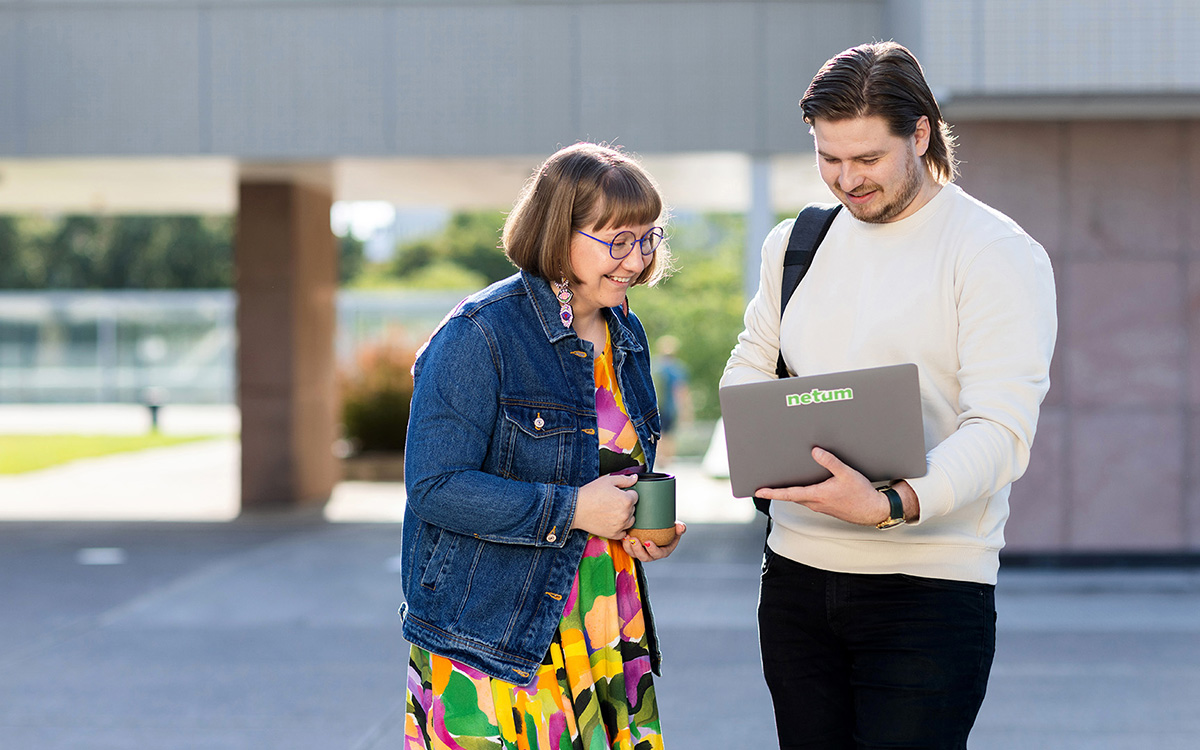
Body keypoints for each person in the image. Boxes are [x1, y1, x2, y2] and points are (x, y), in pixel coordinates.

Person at [722, 42, 1057, 749]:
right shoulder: (797, 243)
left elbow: (1000, 428)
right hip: (795, 584)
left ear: (921, 135)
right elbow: (751, 364)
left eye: (867, 158)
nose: (847, 179)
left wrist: (891, 504)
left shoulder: (993, 252)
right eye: (828, 157)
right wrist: (762, 447)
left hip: (928, 591)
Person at [399, 142, 687, 750]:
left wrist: (637, 526)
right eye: (617, 241)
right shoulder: (478, 334)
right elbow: (434, 487)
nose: (636, 259)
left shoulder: (625, 333)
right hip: (498, 636)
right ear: (559, 233)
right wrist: (575, 510)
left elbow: (613, 467)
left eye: (648, 238)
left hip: (606, 623)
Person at [650, 335, 692, 467]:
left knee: (658, 433)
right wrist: (685, 410)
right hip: (670, 407)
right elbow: (681, 391)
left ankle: (659, 459)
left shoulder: (653, 366)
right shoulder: (678, 368)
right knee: (669, 435)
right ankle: (667, 461)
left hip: (654, 406)